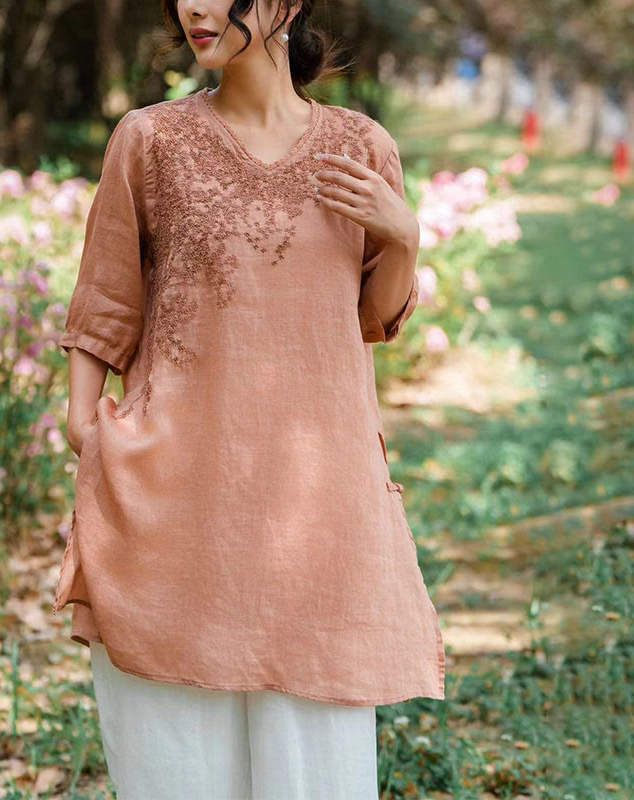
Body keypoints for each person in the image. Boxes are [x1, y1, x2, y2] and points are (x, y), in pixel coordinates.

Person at [53, 0, 446, 797]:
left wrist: (403, 234)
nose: (193, 5)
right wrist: (84, 423)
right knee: (176, 769)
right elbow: (106, 298)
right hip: (178, 506)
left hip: (318, 520)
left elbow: (371, 317)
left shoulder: (361, 147)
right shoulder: (150, 140)